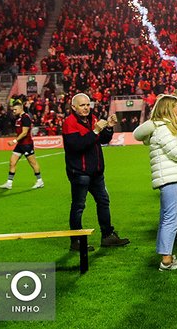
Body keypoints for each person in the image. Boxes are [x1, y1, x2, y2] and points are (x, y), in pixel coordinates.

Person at [134, 94, 177, 271]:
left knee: (167, 219)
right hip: (171, 178)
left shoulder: (164, 127)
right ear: (168, 109)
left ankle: (167, 256)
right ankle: (166, 261)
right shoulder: (164, 129)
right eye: (176, 107)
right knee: (171, 220)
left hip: (171, 177)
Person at [62, 92, 130, 252]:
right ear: (73, 107)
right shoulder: (69, 123)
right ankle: (76, 241)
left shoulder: (92, 119)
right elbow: (77, 146)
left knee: (103, 201)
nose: (86, 108)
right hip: (80, 173)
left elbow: (103, 140)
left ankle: (107, 235)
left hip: (96, 172)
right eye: (82, 105)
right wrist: (95, 131)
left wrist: (109, 128)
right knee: (79, 206)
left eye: (87, 104)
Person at [0, 100, 43, 190]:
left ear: (20, 108)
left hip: (27, 145)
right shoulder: (18, 118)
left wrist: (14, 141)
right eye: (13, 110)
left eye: (15, 109)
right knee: (12, 162)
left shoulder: (25, 118)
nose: (13, 111)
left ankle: (40, 181)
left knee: (33, 163)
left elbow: (24, 133)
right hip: (20, 145)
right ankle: (9, 183)